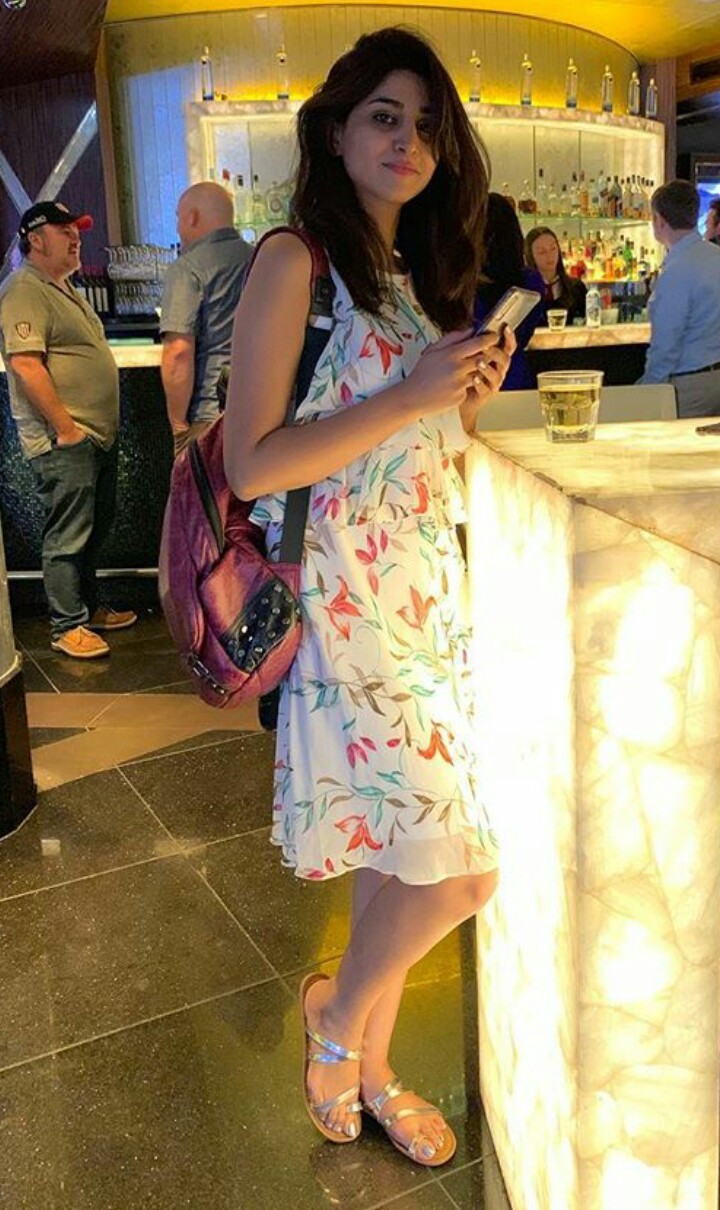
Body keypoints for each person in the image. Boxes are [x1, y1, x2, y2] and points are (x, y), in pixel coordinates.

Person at [224, 28, 513, 1167]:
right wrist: (412, 394)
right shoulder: (293, 261)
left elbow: (420, 450)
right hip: (346, 608)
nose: (408, 142)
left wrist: (465, 393)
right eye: (385, 117)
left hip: (425, 598)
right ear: (336, 129)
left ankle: (371, 1064)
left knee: (408, 854)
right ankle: (337, 1019)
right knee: (467, 865)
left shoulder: (414, 282)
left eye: (426, 125)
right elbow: (255, 462)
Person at [0, 201, 136, 659]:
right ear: (35, 239)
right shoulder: (24, 289)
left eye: (77, 229)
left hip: (92, 435)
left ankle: (89, 609)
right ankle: (66, 625)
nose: (76, 237)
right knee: (67, 535)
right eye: (64, 230)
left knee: (92, 529)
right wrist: (66, 429)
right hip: (65, 438)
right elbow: (26, 365)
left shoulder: (62, 286)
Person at [160, 181, 251, 456]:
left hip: (211, 414)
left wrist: (178, 425)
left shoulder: (188, 268)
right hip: (264, 409)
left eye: (178, 218)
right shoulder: (261, 258)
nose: (178, 228)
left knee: (206, 485)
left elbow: (178, 353)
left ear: (192, 217)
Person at [639, 179, 720, 417]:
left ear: (659, 220)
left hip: (688, 385)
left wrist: (647, 389)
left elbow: (666, 344)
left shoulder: (676, 271)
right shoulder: (715, 256)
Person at [474, 192, 545, 389]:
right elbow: (525, 334)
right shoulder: (531, 281)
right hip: (515, 372)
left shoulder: (465, 285)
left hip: (475, 376)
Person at [525, 224, 587, 323]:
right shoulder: (525, 293)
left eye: (553, 248)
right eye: (542, 252)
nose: (549, 255)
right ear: (531, 256)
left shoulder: (576, 288)